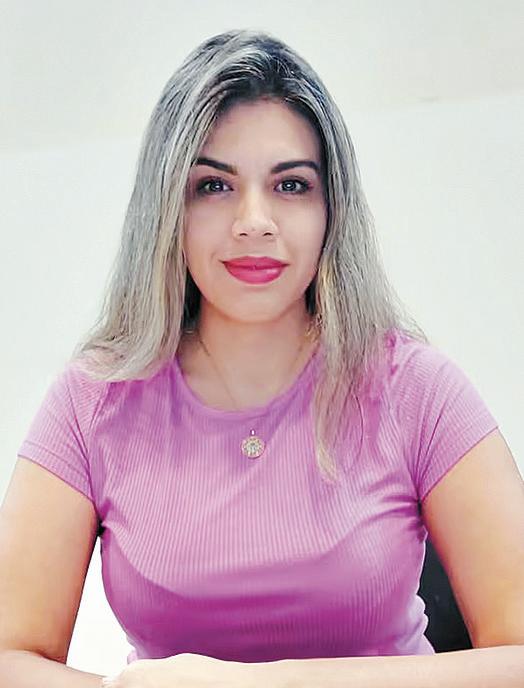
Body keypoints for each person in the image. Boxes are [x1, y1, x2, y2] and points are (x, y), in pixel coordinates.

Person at [1, 28, 523, 688]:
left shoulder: (418, 389)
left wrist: (255, 685)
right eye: (214, 186)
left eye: (291, 185)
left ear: (332, 208)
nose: (254, 220)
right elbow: (10, 658)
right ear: (167, 209)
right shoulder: (91, 401)